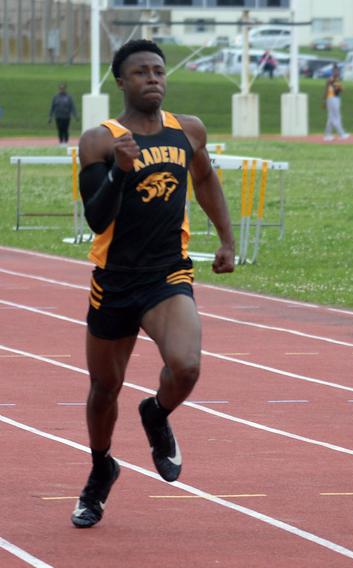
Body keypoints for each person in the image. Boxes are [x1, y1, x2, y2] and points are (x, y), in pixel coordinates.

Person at [71, 39, 235, 528]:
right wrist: (120, 174)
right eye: (141, 72)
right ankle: (102, 468)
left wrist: (226, 238)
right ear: (121, 81)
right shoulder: (100, 140)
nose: (153, 79)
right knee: (104, 387)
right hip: (115, 279)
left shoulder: (188, 131)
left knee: (185, 366)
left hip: (168, 273)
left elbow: (204, 180)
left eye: (159, 71)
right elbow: (98, 220)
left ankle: (157, 412)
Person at [324, 64, 350, 141]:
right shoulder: (332, 79)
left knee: (331, 117)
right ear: (333, 72)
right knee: (336, 116)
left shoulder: (335, 79)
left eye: (338, 71)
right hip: (333, 98)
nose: (338, 72)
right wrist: (325, 100)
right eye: (336, 71)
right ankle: (342, 133)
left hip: (334, 98)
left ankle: (327, 135)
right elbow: (339, 89)